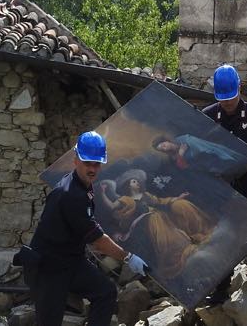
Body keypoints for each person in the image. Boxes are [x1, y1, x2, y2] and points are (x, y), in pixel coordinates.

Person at [13, 131, 147, 326]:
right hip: (48, 268)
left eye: (96, 164)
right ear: (75, 160)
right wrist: (128, 257)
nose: (92, 169)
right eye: (87, 163)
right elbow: (98, 240)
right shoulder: (70, 194)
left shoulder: (84, 185)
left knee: (105, 292)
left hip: (71, 261)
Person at [201, 64, 247, 303]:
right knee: (221, 236)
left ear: (239, 89)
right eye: (223, 99)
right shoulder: (209, 116)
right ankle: (221, 287)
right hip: (219, 184)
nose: (227, 103)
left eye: (231, 98)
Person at [98, 169, 214, 278]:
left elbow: (160, 202)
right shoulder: (125, 199)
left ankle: (201, 234)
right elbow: (111, 206)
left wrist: (177, 198)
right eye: (134, 181)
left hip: (160, 216)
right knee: (161, 226)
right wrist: (103, 193)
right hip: (145, 224)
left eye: (138, 181)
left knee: (180, 205)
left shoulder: (146, 195)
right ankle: (181, 252)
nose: (137, 183)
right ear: (128, 184)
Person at [152, 133, 247, 183]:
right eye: (161, 149)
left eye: (163, 145)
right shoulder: (174, 158)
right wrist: (181, 154)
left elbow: (200, 147)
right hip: (207, 167)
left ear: (166, 141)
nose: (164, 148)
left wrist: (199, 154)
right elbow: (185, 167)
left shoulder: (184, 139)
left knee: (238, 162)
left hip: (212, 155)